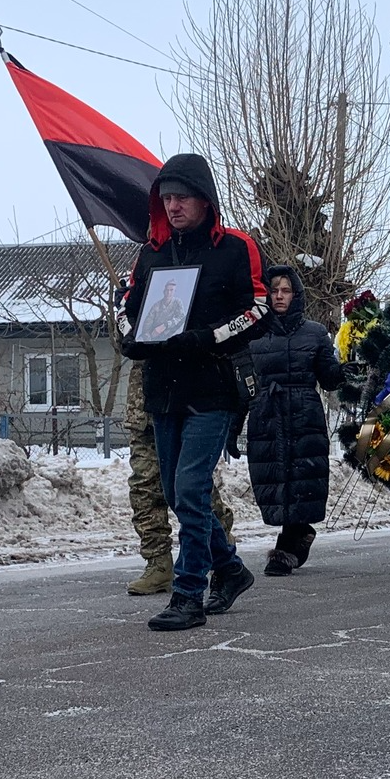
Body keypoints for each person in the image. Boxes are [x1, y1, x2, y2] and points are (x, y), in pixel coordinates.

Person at [121, 154, 271, 632]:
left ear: (205, 199)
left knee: (189, 488)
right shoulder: (150, 254)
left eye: (181, 197)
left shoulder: (236, 247)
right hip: (162, 388)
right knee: (174, 490)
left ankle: (188, 594)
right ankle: (230, 568)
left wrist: (208, 338)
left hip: (214, 388)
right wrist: (129, 335)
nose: (174, 206)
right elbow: (128, 307)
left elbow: (260, 309)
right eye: (166, 198)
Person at [244, 267, 345, 576]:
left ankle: (287, 546)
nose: (279, 296)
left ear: (296, 294)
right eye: (274, 290)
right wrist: (234, 422)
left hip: (304, 412)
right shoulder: (253, 331)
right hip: (267, 413)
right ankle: (298, 533)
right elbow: (242, 380)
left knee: (303, 475)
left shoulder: (314, 332)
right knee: (275, 478)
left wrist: (349, 369)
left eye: (285, 290)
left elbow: (329, 378)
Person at [122, 362, 238, 595]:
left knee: (190, 487)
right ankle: (158, 562)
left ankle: (220, 549)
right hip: (143, 404)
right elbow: (126, 340)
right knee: (143, 486)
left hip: (182, 398)